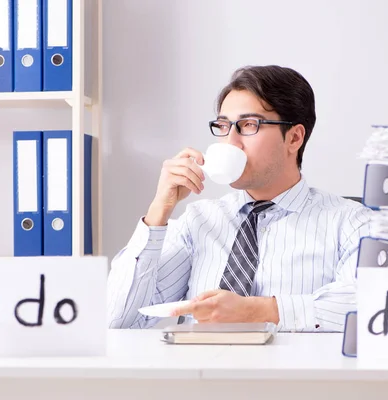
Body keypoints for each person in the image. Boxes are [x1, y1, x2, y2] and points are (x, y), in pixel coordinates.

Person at [107, 65, 372, 332]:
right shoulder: (198, 222)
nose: (231, 142)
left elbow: (370, 307)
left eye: (248, 125)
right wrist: (159, 211)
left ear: (294, 138)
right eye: (223, 126)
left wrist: (258, 311)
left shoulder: (351, 222)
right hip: (199, 371)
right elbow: (119, 320)